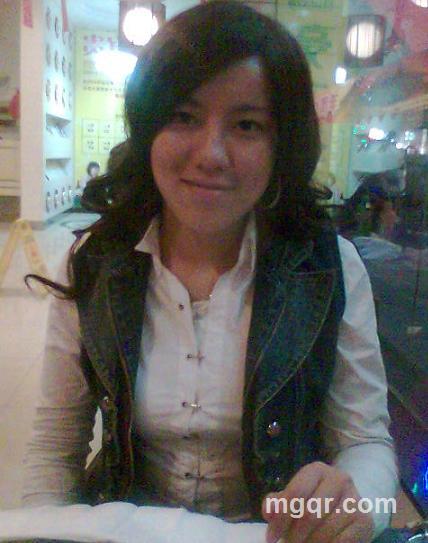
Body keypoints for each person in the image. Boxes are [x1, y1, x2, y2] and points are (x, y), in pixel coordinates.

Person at [23, 2, 398, 542]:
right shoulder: (96, 261)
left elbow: (365, 441)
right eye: (184, 117)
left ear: (281, 145)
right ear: (148, 127)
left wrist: (358, 505)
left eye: (246, 125)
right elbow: (54, 449)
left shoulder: (330, 268)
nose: (212, 154)